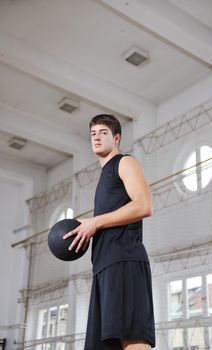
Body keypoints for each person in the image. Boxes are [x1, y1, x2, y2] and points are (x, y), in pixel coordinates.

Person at [63, 114, 155, 349]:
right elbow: (108, 219)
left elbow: (144, 205)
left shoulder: (125, 162)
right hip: (103, 267)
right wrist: (90, 226)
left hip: (124, 262)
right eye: (93, 134)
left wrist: (96, 222)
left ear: (116, 138)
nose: (96, 137)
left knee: (132, 339)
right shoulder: (104, 177)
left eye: (103, 132)